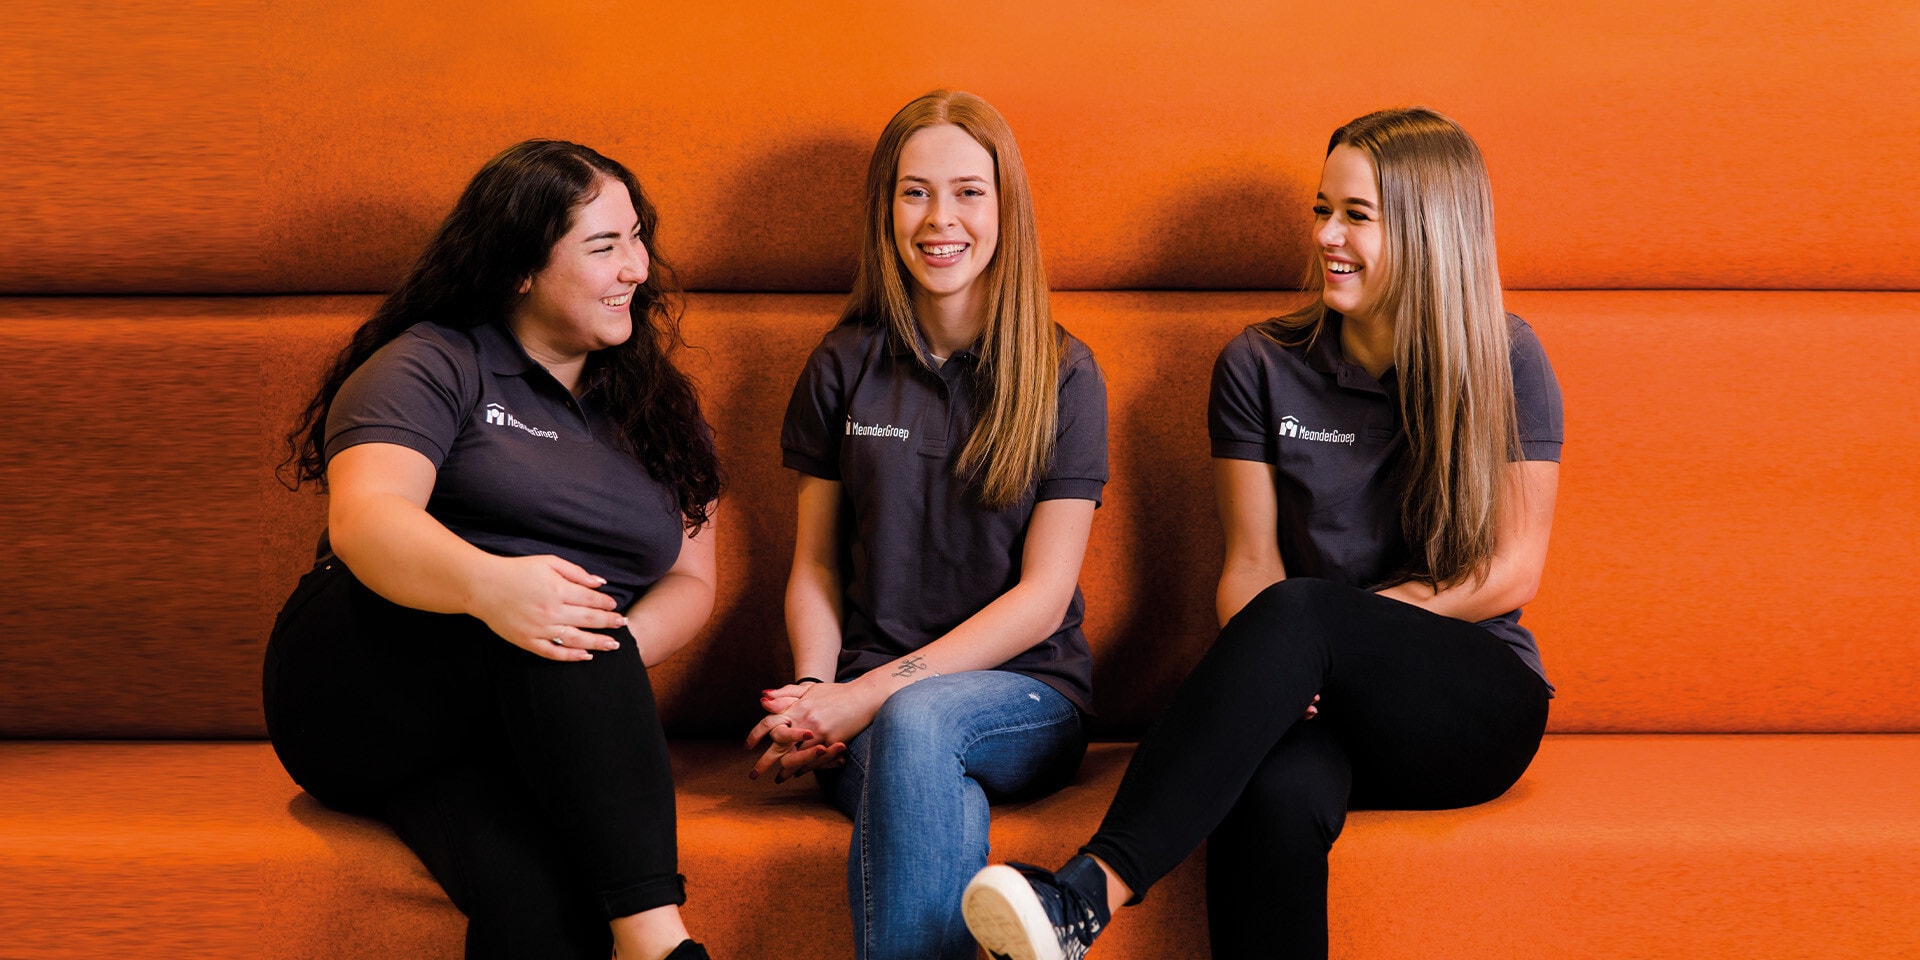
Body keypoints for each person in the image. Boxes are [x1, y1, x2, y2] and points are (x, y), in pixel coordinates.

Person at [962, 107, 1564, 960]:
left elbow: (1509, 572)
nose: (1326, 236)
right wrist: (1294, 666)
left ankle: (1086, 893)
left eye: (1357, 215)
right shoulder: (1259, 365)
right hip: (1311, 700)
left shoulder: (1507, 359)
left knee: (1301, 613)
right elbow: (1248, 566)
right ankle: (1078, 907)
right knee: (1271, 791)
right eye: (1322, 210)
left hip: (1469, 701)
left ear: (1431, 233)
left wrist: (1323, 645)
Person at [263, 139, 721, 960]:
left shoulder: (660, 408)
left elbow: (691, 577)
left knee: (541, 899)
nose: (637, 269)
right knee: (554, 614)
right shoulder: (434, 363)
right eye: (604, 246)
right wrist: (490, 587)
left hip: (516, 718)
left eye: (638, 237)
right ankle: (662, 947)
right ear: (520, 268)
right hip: (360, 682)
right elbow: (366, 519)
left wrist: (598, 661)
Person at [744, 90, 1109, 960]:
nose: (939, 219)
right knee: (913, 748)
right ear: (886, 208)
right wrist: (811, 697)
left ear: (1004, 206)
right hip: (868, 705)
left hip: (1028, 696)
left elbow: (1044, 595)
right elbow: (818, 569)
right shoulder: (843, 363)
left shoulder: (1064, 373)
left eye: (967, 191)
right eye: (914, 192)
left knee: (918, 721)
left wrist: (864, 698)